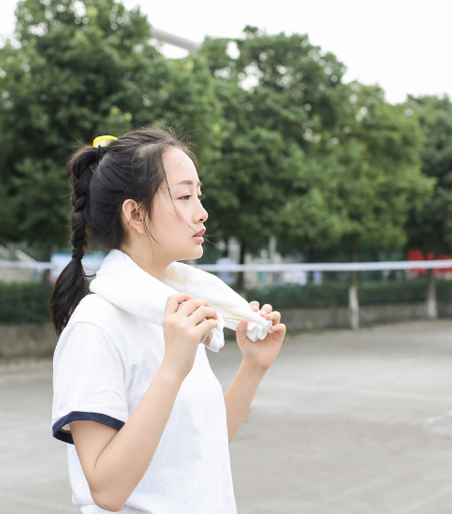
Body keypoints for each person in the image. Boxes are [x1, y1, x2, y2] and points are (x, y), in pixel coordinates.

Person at [50, 129, 286, 513]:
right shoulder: (96, 326)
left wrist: (253, 367)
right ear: (135, 214)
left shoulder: (173, 307)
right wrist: (172, 370)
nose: (201, 212)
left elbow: (200, 444)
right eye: (184, 196)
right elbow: (107, 490)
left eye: (199, 195)